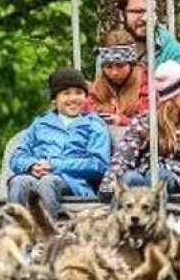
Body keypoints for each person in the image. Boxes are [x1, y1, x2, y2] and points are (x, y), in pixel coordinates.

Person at [8, 67, 111, 219]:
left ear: (86, 97)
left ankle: (48, 236)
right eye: (66, 93)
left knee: (47, 182)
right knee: (19, 181)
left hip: (73, 183)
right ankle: (15, 235)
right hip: (36, 176)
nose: (73, 98)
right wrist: (31, 165)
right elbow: (18, 156)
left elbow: (98, 165)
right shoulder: (40, 124)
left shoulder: (94, 124)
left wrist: (54, 166)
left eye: (79, 93)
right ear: (55, 99)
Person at [100, 60, 180, 195]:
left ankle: (155, 212)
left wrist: (166, 166)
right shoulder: (144, 122)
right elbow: (123, 158)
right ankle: (114, 213)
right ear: (173, 94)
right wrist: (109, 185)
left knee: (159, 175)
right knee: (129, 179)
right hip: (144, 178)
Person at [85, 30, 149, 127]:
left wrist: (121, 121)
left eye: (120, 66)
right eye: (108, 67)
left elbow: (148, 120)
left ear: (131, 65)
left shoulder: (146, 83)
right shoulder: (97, 87)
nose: (114, 72)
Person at [119, 0, 180, 67]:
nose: (145, 18)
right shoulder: (110, 50)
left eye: (151, 11)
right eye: (138, 11)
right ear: (121, 15)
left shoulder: (173, 52)